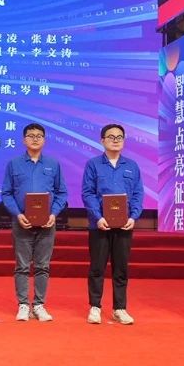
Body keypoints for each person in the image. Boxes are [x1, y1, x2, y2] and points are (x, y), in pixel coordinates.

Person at [2, 122, 69, 322]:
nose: (35, 139)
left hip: (47, 223)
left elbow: (62, 193)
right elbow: (7, 193)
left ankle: (39, 305)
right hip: (22, 222)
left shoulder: (53, 164)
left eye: (39, 136)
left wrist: (54, 214)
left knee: (42, 266)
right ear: (24, 140)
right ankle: (23, 305)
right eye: (31, 135)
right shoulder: (14, 164)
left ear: (44, 140)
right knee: (22, 266)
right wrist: (17, 214)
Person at [81, 123, 144, 325]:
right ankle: (95, 307)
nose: (115, 140)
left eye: (119, 137)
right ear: (102, 140)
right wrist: (98, 217)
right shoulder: (93, 164)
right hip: (99, 225)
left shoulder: (132, 166)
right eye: (111, 137)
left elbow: (138, 194)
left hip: (124, 225)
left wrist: (133, 217)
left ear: (123, 141)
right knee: (97, 268)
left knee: (121, 269)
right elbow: (88, 193)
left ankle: (120, 308)